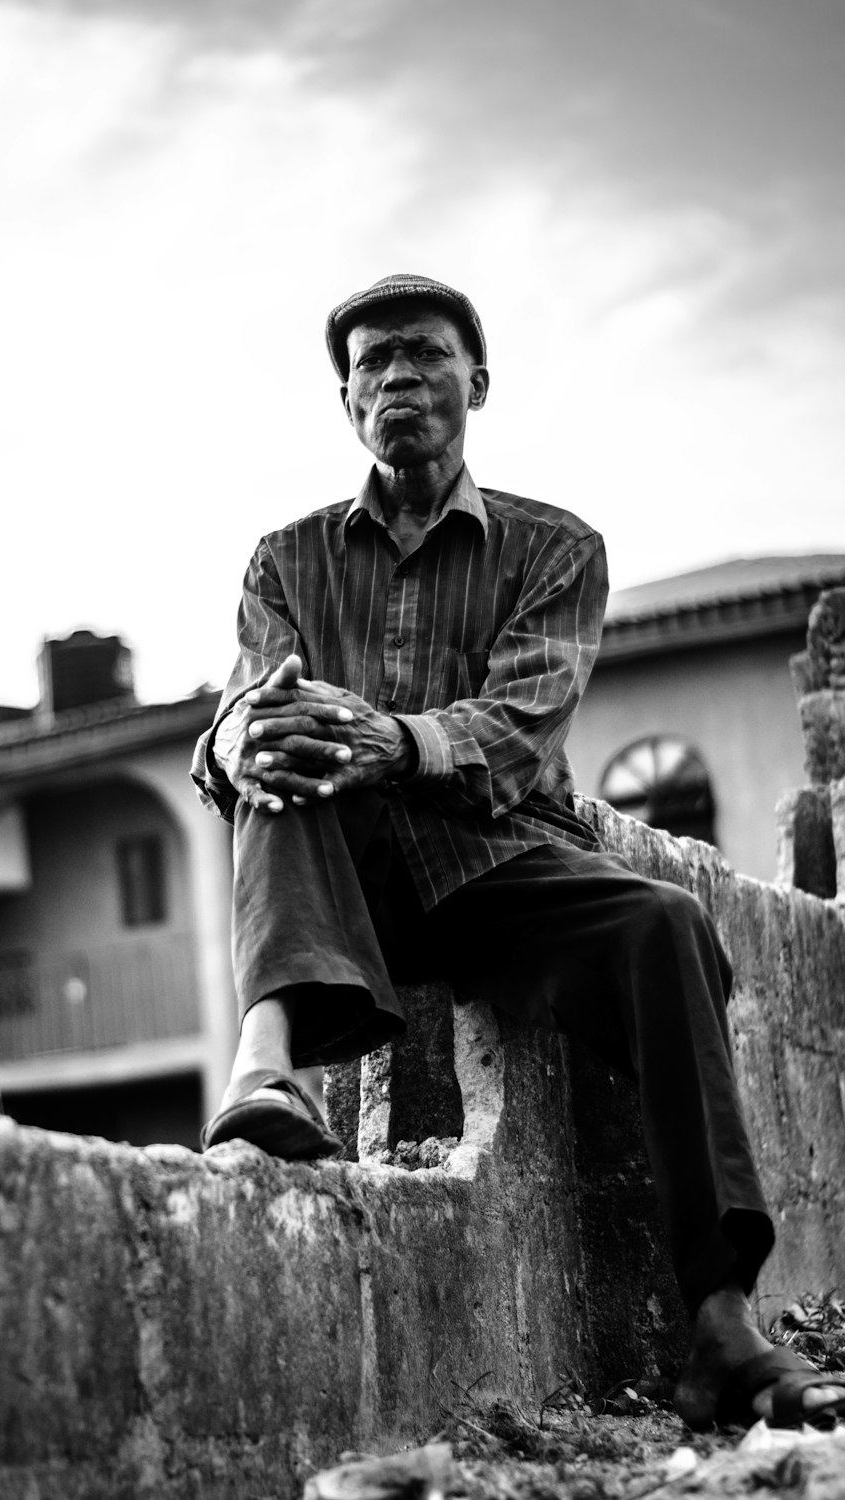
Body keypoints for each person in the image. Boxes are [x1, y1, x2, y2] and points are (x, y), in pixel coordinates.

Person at [191, 273, 845, 1431]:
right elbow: (243, 713)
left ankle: (719, 1321)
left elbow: (514, 733)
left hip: (496, 866)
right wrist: (248, 732)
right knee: (280, 760)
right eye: (374, 361)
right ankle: (266, 1061)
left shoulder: (554, 548)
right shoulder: (281, 562)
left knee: (666, 924)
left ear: (476, 382)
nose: (398, 375)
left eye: (425, 353)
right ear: (346, 401)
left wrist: (387, 737)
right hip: (334, 885)